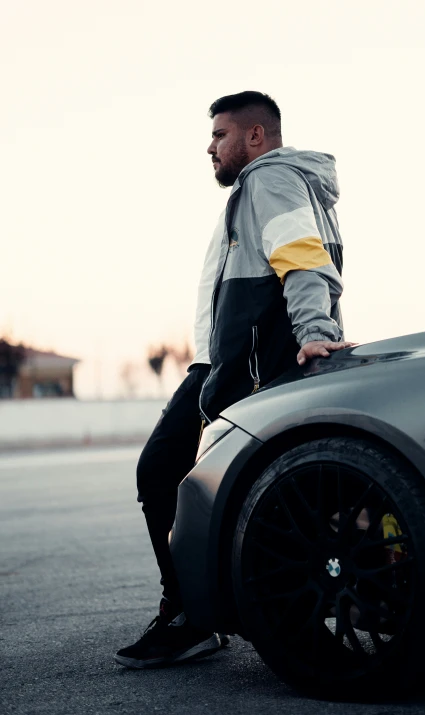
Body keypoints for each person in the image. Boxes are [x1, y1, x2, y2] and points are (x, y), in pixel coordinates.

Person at [114, 91, 350, 669]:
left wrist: (314, 329)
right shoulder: (265, 189)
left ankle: (196, 614)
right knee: (210, 485)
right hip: (225, 361)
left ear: (255, 137)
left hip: (240, 368)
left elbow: (303, 258)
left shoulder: (270, 181)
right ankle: (206, 611)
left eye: (220, 135)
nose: (210, 147)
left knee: (166, 470)